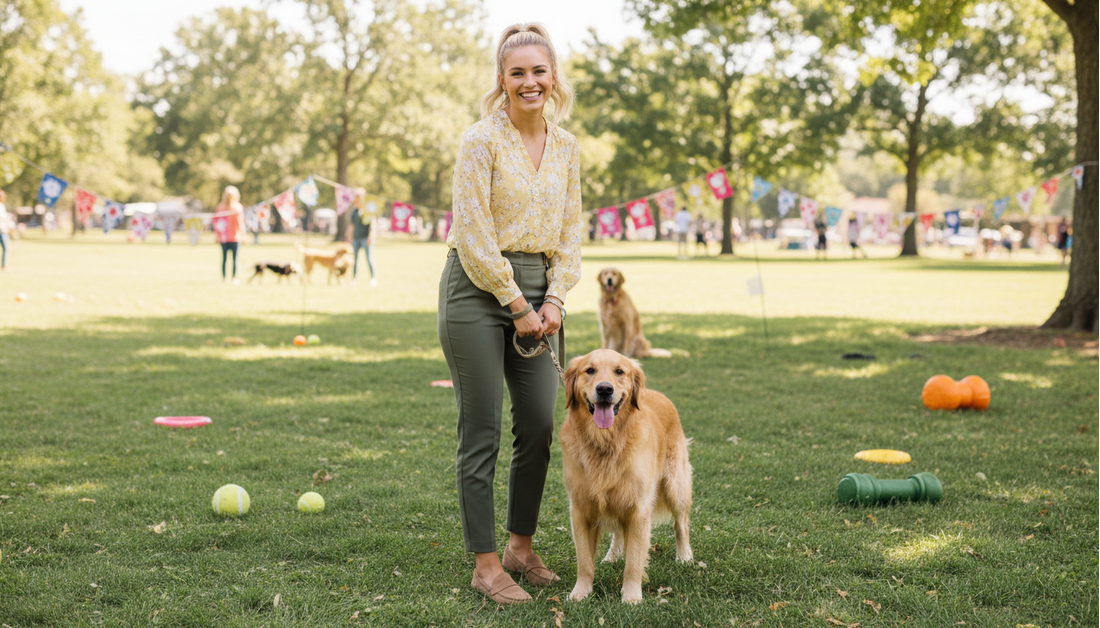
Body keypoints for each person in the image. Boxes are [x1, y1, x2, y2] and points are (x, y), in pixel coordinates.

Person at [438, 22, 580, 606]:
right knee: (482, 430)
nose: (529, 82)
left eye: (538, 71)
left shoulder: (567, 146)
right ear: (501, 80)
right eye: (516, 72)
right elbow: (472, 233)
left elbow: (571, 232)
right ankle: (487, 563)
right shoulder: (480, 141)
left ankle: (522, 546)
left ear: (553, 78)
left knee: (542, 425)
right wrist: (516, 302)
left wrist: (554, 298)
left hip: (541, 293)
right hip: (476, 290)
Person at [215, 186, 246, 284]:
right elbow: (239, 223)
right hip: (232, 237)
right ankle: (232, 278)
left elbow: (217, 224)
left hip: (228, 237)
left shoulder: (222, 207)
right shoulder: (235, 207)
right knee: (233, 259)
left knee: (226, 259)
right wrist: (243, 235)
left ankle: (227, 278)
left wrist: (217, 235)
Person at [349, 188, 377, 286]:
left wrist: (371, 236)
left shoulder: (368, 209)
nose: (357, 198)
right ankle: (354, 278)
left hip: (365, 237)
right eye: (356, 196)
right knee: (355, 259)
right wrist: (349, 237)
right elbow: (351, 225)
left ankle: (373, 278)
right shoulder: (354, 211)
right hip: (356, 238)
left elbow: (372, 224)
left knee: (369, 258)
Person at [0, 190, 9, 270]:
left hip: (3, 230)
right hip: (1, 231)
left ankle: (4, 264)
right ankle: (4, 265)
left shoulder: (2, 206)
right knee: (5, 247)